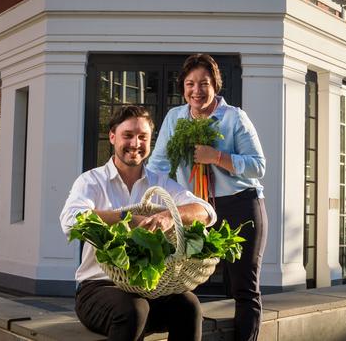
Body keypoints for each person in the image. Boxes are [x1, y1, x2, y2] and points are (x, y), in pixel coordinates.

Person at [59, 105, 217, 341]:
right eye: (128, 135)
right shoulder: (91, 181)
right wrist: (128, 219)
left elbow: (206, 212)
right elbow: (72, 221)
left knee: (189, 305)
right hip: (99, 289)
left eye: (143, 137)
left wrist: (167, 217)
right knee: (134, 309)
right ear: (112, 136)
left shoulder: (160, 182)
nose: (135, 143)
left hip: (151, 289)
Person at [148, 53, 268, 341]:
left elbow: (258, 166)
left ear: (216, 85)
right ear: (183, 87)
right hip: (195, 207)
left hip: (240, 204)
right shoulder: (174, 118)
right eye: (190, 83)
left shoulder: (233, 117)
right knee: (180, 281)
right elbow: (158, 166)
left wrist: (216, 156)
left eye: (204, 83)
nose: (196, 90)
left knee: (244, 288)